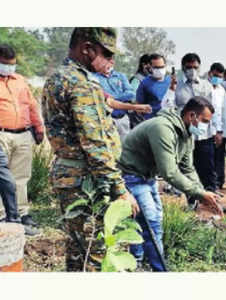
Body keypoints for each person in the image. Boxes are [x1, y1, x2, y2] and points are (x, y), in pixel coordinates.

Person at [42, 27, 139, 271]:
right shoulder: (82, 84)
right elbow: (94, 143)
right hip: (87, 183)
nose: (110, 61)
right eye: (106, 54)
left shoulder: (57, 77)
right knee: (97, 251)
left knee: (77, 250)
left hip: (68, 177)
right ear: (87, 49)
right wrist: (119, 189)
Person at [118, 96, 223, 271]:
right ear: (191, 116)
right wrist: (199, 193)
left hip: (148, 177)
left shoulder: (186, 133)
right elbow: (169, 172)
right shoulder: (163, 128)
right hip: (132, 176)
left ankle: (138, 264)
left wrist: (202, 193)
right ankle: (158, 270)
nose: (206, 126)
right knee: (151, 224)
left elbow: (187, 168)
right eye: (204, 121)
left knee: (146, 222)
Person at [0, 44, 44, 230]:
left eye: (12, 64)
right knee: (3, 177)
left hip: (23, 134)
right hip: (2, 134)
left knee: (21, 177)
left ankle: (21, 213)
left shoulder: (20, 80)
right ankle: (3, 215)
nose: (10, 68)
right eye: (5, 64)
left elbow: (32, 106)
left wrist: (39, 127)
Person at [175, 53, 216, 196]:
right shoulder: (176, 86)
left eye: (195, 67)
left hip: (203, 133)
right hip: (184, 133)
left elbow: (212, 110)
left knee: (206, 165)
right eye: (189, 67)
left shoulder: (206, 85)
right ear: (183, 68)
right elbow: (170, 106)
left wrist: (215, 131)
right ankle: (191, 196)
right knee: (187, 166)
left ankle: (210, 193)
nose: (192, 70)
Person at [94, 59, 151, 142]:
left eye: (110, 61)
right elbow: (100, 97)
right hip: (107, 119)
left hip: (123, 118)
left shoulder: (120, 76)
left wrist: (111, 97)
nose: (108, 64)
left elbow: (131, 94)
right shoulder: (94, 78)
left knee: (125, 146)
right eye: (105, 62)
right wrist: (113, 98)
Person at [136, 54, 171, 119]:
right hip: (152, 121)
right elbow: (139, 107)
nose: (159, 70)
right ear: (150, 67)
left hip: (169, 119)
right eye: (156, 68)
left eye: (161, 67)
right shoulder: (145, 83)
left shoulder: (170, 81)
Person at [207, 62, 225, 190]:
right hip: (204, 129)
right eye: (215, 75)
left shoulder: (222, 90)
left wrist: (219, 131)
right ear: (210, 73)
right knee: (207, 158)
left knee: (218, 157)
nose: (217, 78)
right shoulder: (204, 87)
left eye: (219, 76)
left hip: (217, 129)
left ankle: (217, 184)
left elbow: (220, 112)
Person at [128, 54, 151, 129]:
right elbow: (133, 98)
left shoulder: (149, 79)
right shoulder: (137, 80)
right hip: (138, 118)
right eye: (150, 65)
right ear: (144, 65)